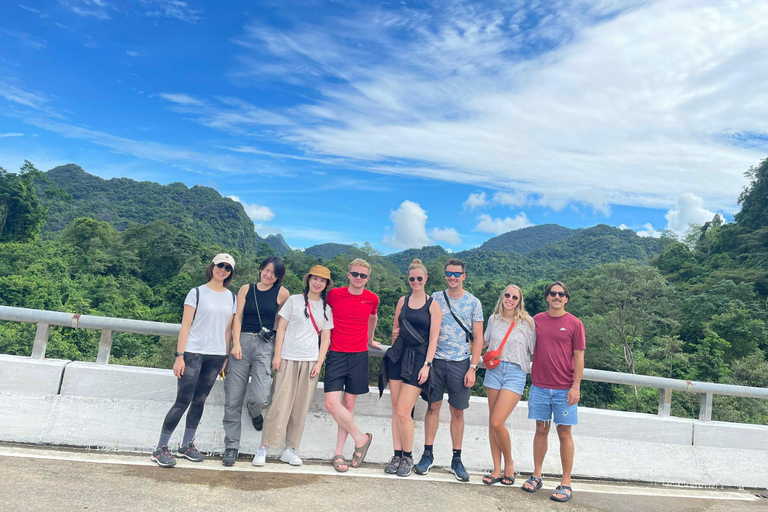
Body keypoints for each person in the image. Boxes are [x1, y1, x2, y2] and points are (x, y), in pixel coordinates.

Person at [151, 253, 237, 468]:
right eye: (220, 265)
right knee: (183, 400)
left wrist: (225, 357)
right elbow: (186, 326)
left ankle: (187, 445)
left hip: (216, 356)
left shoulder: (231, 297)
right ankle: (160, 447)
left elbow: (228, 330)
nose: (223, 270)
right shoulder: (196, 293)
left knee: (200, 400)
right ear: (212, 267)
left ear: (230, 273)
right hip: (193, 353)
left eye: (228, 268)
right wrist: (179, 356)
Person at [253, 265, 334, 467]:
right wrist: (277, 355)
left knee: (300, 407)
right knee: (279, 405)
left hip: (310, 362)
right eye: (314, 278)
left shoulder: (326, 308)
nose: (317, 283)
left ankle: (290, 449)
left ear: (325, 285)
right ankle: (264, 447)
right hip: (288, 358)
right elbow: (281, 329)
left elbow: (325, 338)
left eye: (322, 280)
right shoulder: (293, 301)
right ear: (308, 280)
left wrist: (319, 363)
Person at [412, 258, 483, 482]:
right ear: (445, 275)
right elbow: (422, 324)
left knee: (457, 411)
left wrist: (473, 367)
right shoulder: (435, 297)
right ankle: (428, 454)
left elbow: (479, 338)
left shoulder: (473, 302)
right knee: (432, 408)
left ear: (464, 276)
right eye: (449, 273)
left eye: (457, 274)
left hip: (460, 363)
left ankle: (456, 459)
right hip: (435, 361)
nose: (453, 277)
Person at [521, 281, 585, 503]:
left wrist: (576, 386)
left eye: (561, 294)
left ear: (567, 298)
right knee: (540, 429)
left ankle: (565, 482)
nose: (556, 297)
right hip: (539, 386)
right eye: (552, 293)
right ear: (547, 297)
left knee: (564, 433)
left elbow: (579, 357)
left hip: (564, 389)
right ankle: (537, 475)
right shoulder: (536, 320)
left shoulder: (575, 324)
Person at [222, 256, 289, 466]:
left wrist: (276, 353)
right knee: (232, 398)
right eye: (266, 270)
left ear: (278, 277)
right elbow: (238, 318)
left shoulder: (282, 293)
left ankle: (254, 411)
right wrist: (235, 343)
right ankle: (231, 446)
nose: (269, 275)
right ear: (260, 269)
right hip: (242, 342)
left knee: (261, 396)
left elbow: (280, 325)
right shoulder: (246, 289)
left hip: (264, 345)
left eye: (274, 273)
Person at [378, 259, 441, 477]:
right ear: (408, 280)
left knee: (405, 411)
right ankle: (397, 454)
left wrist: (427, 365)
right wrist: (394, 335)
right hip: (399, 356)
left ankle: (408, 456)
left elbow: (434, 339)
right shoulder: (402, 301)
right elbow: (396, 328)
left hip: (419, 360)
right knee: (396, 410)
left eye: (419, 278)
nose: (415, 281)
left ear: (426, 279)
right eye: (412, 278)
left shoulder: (432, 304)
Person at [324, 258, 380, 472]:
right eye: (355, 274)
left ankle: (339, 454)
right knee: (332, 404)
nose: (358, 278)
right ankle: (361, 438)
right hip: (336, 353)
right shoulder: (334, 294)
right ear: (348, 274)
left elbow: (372, 318)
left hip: (359, 355)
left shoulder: (372, 298)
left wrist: (370, 338)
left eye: (363, 275)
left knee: (348, 406)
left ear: (368, 278)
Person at [482, 285, 536, 486]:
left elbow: (536, 350)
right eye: (507, 295)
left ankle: (509, 463)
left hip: (515, 372)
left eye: (515, 297)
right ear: (502, 297)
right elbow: (483, 341)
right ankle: (497, 468)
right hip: (494, 371)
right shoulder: (493, 320)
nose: (510, 299)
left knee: (498, 421)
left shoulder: (527, 323)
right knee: (492, 423)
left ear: (519, 301)